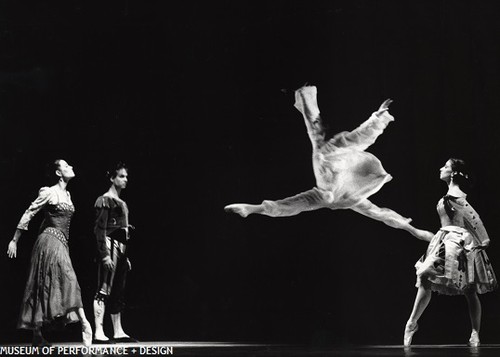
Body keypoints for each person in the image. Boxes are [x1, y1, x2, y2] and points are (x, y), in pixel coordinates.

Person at [225, 85, 411, 230]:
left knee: (304, 199)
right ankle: (254, 208)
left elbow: (359, 134)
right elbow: (362, 135)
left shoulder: (332, 145)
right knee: (372, 211)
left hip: (334, 187)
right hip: (339, 192)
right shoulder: (336, 146)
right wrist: (378, 118)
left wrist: (378, 118)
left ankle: (254, 208)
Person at [403, 158, 497, 347]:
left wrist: (484, 238)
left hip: (456, 241)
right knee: (426, 279)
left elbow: (473, 217)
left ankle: (475, 332)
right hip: (445, 239)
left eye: (445, 166)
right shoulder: (450, 195)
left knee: (467, 288)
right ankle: (412, 323)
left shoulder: (456, 196)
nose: (441, 168)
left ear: (453, 173)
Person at [7, 159, 92, 346]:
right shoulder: (49, 192)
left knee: (46, 282)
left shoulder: (68, 194)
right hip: (50, 240)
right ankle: (85, 323)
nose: (71, 167)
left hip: (60, 242)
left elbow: (49, 220)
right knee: (69, 278)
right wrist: (15, 239)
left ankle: (37, 335)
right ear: (58, 173)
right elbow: (30, 212)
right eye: (66, 166)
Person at [92, 162, 136, 343]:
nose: (125, 179)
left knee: (118, 290)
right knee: (104, 288)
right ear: (112, 178)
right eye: (121, 176)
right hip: (110, 247)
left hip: (121, 249)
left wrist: (125, 257)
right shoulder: (105, 200)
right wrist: (104, 254)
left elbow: (122, 230)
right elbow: (100, 229)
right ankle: (99, 331)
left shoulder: (122, 203)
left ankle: (118, 330)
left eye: (126, 176)